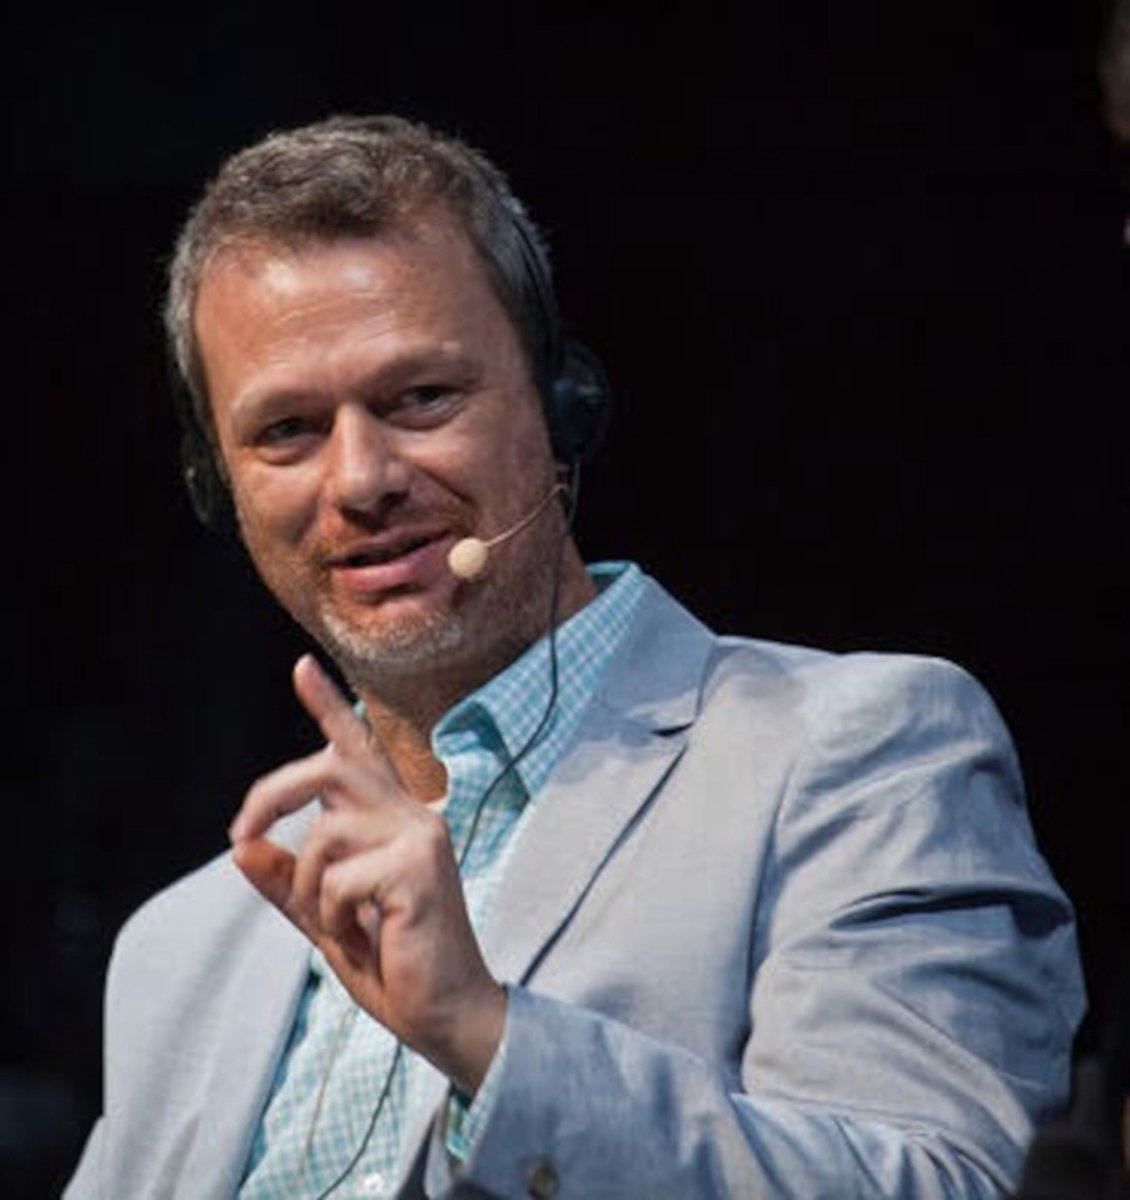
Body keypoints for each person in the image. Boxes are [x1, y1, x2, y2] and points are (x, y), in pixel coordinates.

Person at [65, 114, 1084, 1199]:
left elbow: (945, 1181)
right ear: (216, 486)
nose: (360, 479)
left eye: (421, 398)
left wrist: (486, 1034)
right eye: (286, 431)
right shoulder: (184, 945)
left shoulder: (860, 755)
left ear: (564, 407)